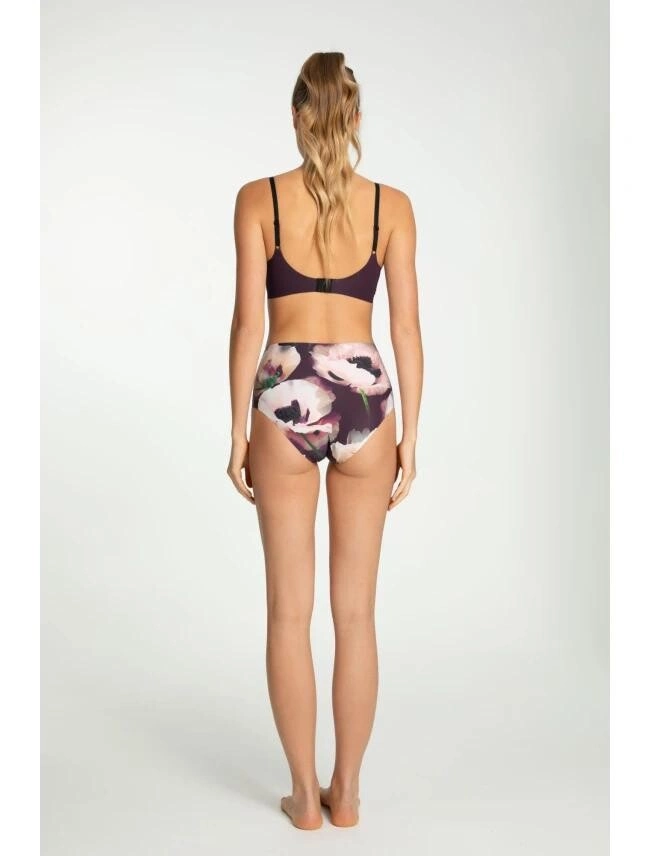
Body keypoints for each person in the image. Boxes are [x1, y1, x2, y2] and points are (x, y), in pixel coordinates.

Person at [227, 51, 423, 830]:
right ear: (357, 119)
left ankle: (304, 798)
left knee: (287, 612)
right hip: (366, 395)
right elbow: (405, 329)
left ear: (296, 115)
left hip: (285, 392)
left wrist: (236, 428)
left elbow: (248, 323)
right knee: (357, 616)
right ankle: (349, 794)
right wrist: (413, 432)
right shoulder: (392, 207)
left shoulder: (258, 199)